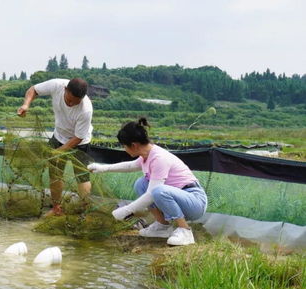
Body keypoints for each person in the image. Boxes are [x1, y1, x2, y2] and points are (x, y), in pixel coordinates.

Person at [87, 117, 207, 246]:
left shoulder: (159, 158)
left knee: (158, 191)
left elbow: (152, 194)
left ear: (134, 145)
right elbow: (130, 166)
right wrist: (102, 168)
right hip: (180, 198)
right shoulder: (146, 156)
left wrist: (127, 210)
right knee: (141, 183)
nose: (124, 149)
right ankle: (162, 226)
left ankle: (185, 231)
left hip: (195, 202)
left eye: (124, 146)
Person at [17, 78, 93, 216]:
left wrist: (57, 152)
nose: (71, 104)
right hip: (58, 135)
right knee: (55, 174)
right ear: (65, 90)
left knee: (82, 177)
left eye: (75, 102)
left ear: (82, 98)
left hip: (80, 143)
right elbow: (33, 89)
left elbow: (78, 137)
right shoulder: (57, 85)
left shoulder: (86, 109)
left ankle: (85, 211)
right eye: (69, 100)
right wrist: (26, 105)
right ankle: (57, 208)